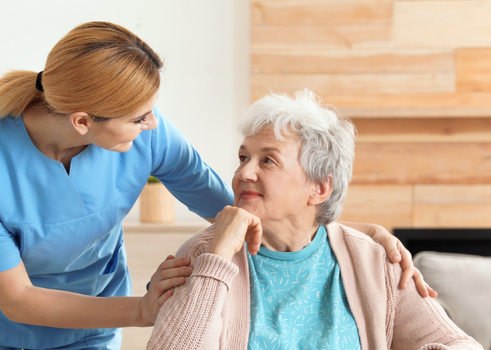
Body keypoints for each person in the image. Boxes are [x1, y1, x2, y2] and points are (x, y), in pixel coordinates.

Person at [0, 21, 429, 349]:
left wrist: (354, 234)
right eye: (138, 118)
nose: (152, 125)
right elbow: (18, 298)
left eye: (152, 110)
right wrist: (141, 311)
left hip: (91, 332)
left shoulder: (150, 134)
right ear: (84, 121)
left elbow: (244, 205)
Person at [147, 90, 481, 350]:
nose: (244, 172)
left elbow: (459, 343)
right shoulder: (207, 252)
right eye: (243, 157)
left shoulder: (374, 260)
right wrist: (217, 259)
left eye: (268, 161)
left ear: (319, 188)